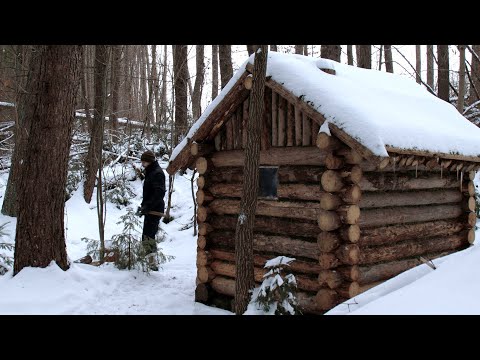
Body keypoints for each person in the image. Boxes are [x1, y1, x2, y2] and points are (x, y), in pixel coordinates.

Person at [136, 150, 166, 271]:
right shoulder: (151, 172)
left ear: (149, 161)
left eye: (144, 161)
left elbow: (159, 193)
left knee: (148, 237)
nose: (142, 164)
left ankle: (153, 263)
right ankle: (151, 261)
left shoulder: (157, 173)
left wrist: (147, 206)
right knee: (147, 236)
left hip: (155, 209)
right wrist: (144, 207)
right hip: (150, 209)